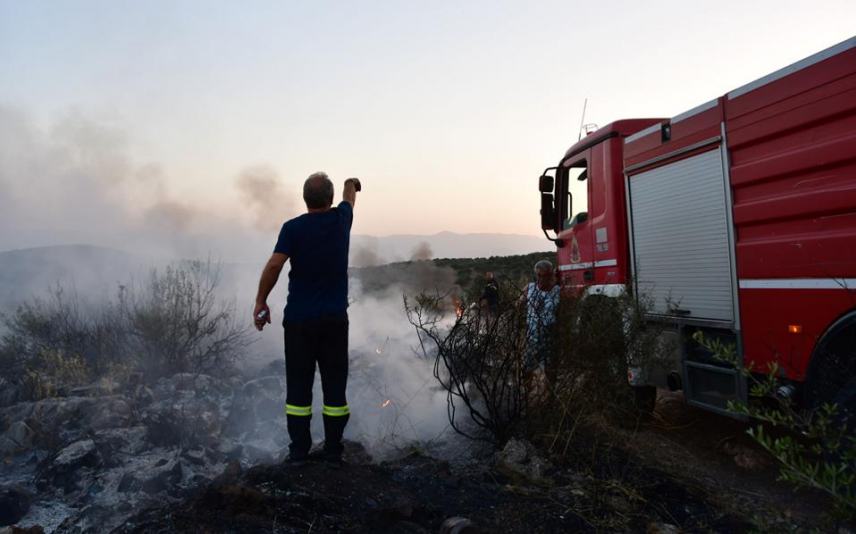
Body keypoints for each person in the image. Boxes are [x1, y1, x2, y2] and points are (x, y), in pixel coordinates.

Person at [253, 172, 361, 466]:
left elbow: (275, 264)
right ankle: (333, 451)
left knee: (298, 387)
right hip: (334, 322)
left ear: (305, 198)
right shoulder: (341, 220)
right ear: (329, 199)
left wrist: (261, 301)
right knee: (335, 387)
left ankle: (299, 451)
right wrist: (351, 183)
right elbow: (349, 197)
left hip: (299, 322)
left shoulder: (292, 228)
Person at [520, 260, 560, 372]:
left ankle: (548, 388)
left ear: (550, 275)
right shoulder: (530, 288)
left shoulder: (557, 290)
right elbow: (518, 305)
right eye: (539, 275)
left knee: (550, 368)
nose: (541, 278)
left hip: (549, 335)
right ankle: (527, 388)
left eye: (545, 275)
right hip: (532, 336)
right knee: (527, 368)